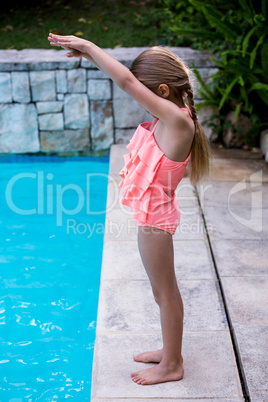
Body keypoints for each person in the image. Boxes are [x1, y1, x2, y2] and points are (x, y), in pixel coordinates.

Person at [48, 33, 211, 386]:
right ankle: (171, 353)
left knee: (165, 292)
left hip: (156, 223)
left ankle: (172, 366)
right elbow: (128, 80)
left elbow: (125, 80)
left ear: (163, 91)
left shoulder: (179, 122)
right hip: (151, 219)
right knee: (162, 291)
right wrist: (89, 56)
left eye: (146, 94)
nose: (141, 100)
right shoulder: (171, 118)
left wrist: (90, 47)